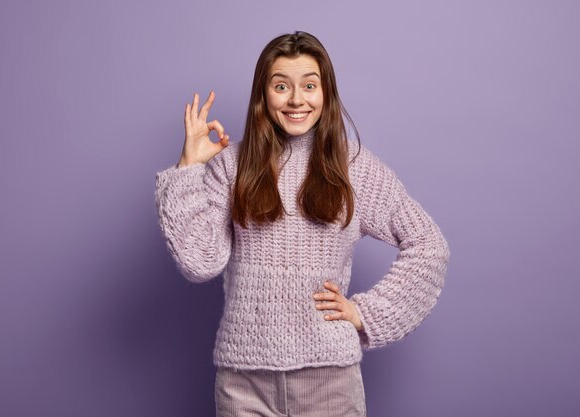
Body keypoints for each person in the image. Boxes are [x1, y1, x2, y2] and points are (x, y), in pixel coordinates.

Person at [155, 31, 450, 417]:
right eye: (282, 86)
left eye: (309, 85)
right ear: (264, 95)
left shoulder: (353, 166)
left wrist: (368, 313)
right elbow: (199, 262)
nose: (297, 99)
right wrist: (189, 168)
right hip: (244, 384)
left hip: (330, 384)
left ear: (325, 92)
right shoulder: (231, 165)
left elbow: (429, 245)